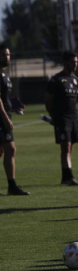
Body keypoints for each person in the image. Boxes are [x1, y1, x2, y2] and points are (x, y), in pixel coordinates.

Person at [45, 51, 78, 186]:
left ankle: (65, 177)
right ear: (65, 62)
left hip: (74, 118)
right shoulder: (56, 80)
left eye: (77, 62)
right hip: (62, 118)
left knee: (70, 147)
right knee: (65, 147)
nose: (75, 64)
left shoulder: (76, 79)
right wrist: (54, 116)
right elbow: (48, 101)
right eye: (73, 62)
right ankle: (69, 177)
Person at [0, 44, 29, 195]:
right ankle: (12, 186)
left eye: (8, 54)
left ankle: (12, 186)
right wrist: (5, 118)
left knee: (1, 152)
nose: (7, 57)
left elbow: (5, 99)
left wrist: (14, 107)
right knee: (11, 149)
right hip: (1, 118)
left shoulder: (5, 73)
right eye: (4, 54)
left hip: (5, 115)